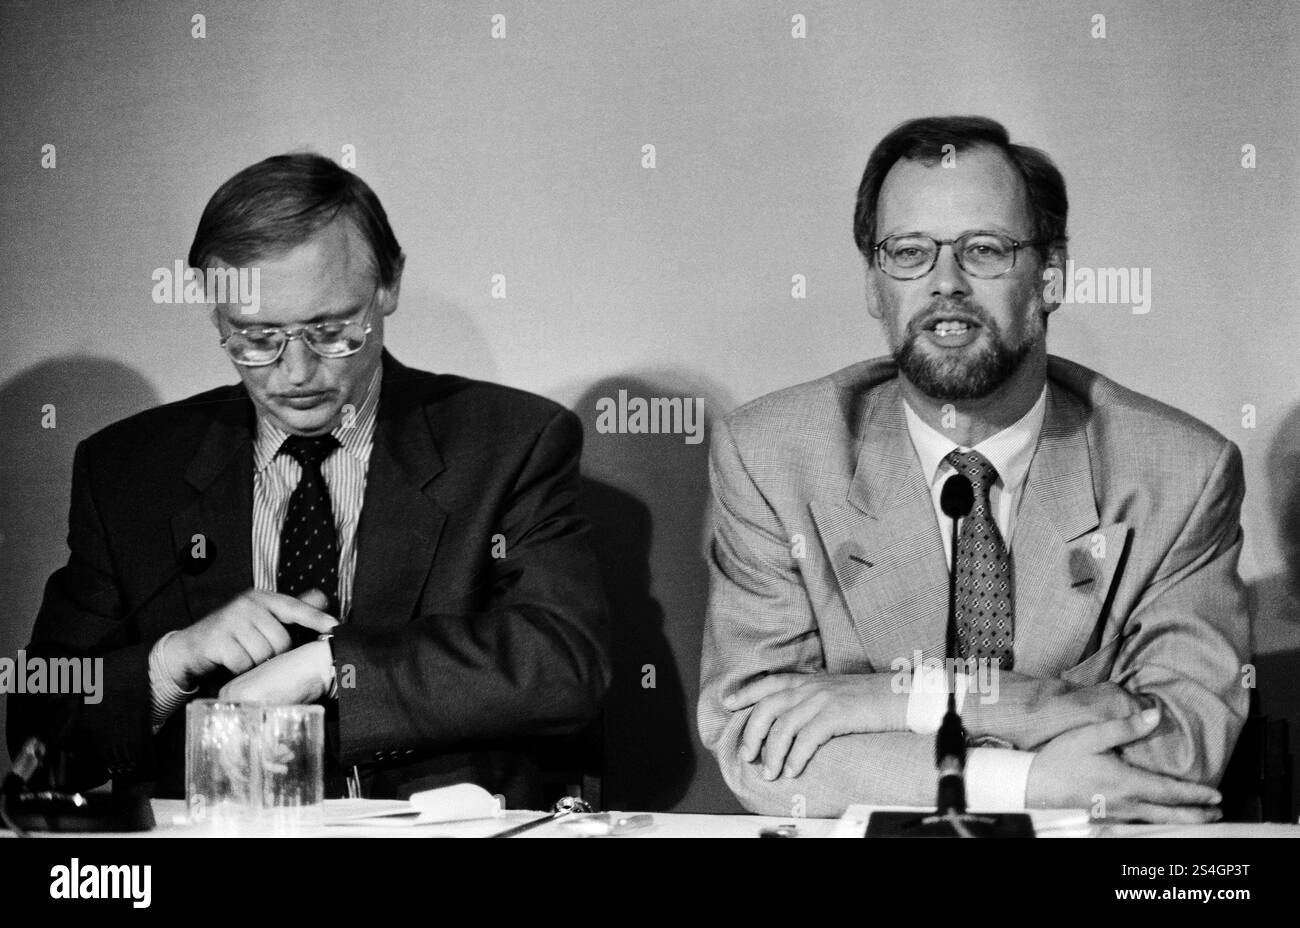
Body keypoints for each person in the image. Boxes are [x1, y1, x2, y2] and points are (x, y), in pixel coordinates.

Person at [8, 153, 610, 807]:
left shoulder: (510, 442)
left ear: (389, 285)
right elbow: (40, 725)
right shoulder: (127, 470)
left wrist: (335, 668)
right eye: (256, 337)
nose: (295, 372)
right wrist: (166, 664)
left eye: (330, 330)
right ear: (215, 315)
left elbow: (564, 661)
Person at [698, 116, 1248, 822]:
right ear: (874, 284)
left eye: (984, 250)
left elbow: (1179, 747)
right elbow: (758, 746)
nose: (945, 284)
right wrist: (1019, 784)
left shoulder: (1179, 473)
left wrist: (901, 698)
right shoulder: (774, 456)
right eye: (908, 252)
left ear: (1050, 277)